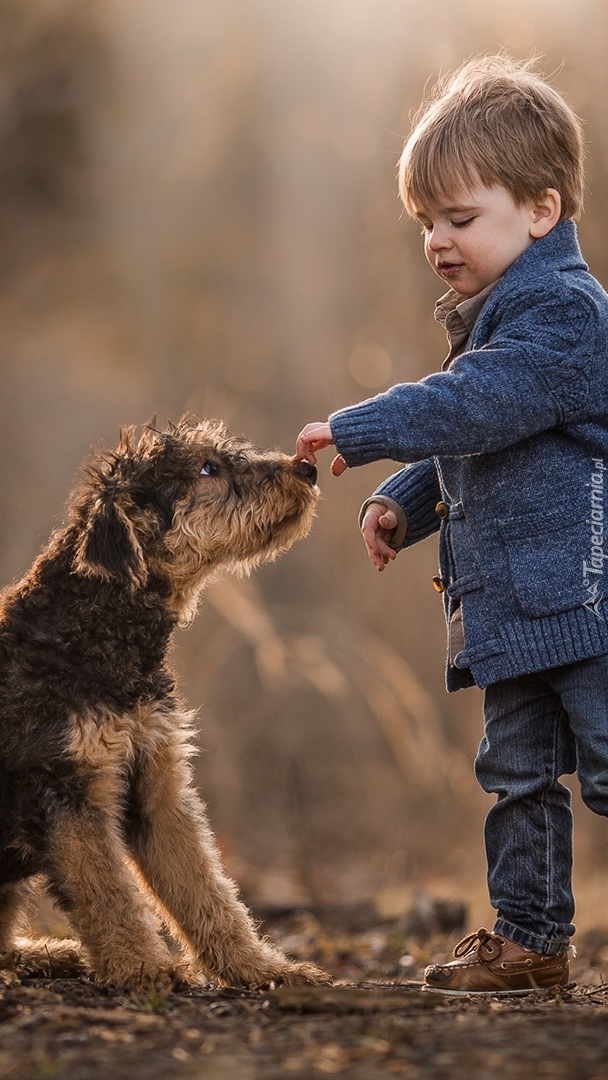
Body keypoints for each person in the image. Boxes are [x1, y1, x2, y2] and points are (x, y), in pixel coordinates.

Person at [295, 54, 608, 994]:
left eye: (460, 218)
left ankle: (532, 936)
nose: (436, 239)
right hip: (515, 613)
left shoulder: (564, 314)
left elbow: (479, 403)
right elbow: (488, 440)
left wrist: (363, 429)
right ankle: (529, 940)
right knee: (513, 775)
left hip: (588, 604)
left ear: (541, 210)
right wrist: (407, 501)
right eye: (426, 221)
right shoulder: (500, 317)